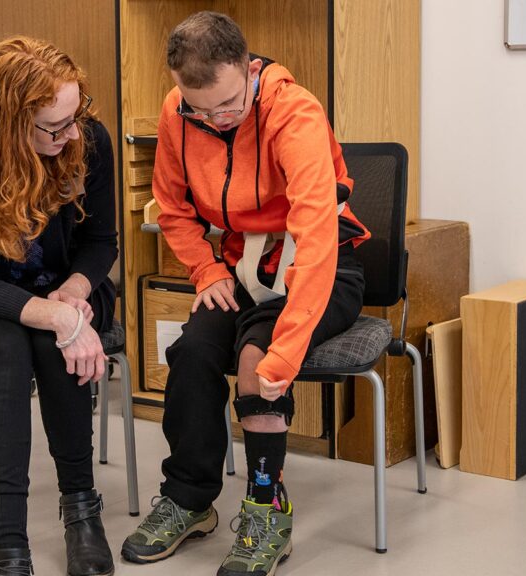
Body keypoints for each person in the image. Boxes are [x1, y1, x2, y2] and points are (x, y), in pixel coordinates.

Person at [120, 12, 370, 576]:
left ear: (249, 68)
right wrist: (206, 272)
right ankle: (189, 498)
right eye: (199, 109)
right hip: (243, 266)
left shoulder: (293, 111)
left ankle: (266, 508)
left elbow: (317, 236)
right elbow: (174, 209)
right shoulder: (175, 111)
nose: (216, 120)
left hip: (320, 266)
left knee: (258, 361)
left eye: (229, 106)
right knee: (190, 353)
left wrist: (287, 346)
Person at [0, 36, 117, 576]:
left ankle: (82, 511)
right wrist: (60, 319)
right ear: (9, 122)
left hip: (64, 282)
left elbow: (102, 243)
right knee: (9, 347)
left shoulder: (87, 136)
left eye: (73, 117)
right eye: (53, 127)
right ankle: (8, 543)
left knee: (56, 348)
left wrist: (74, 297)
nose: (72, 133)